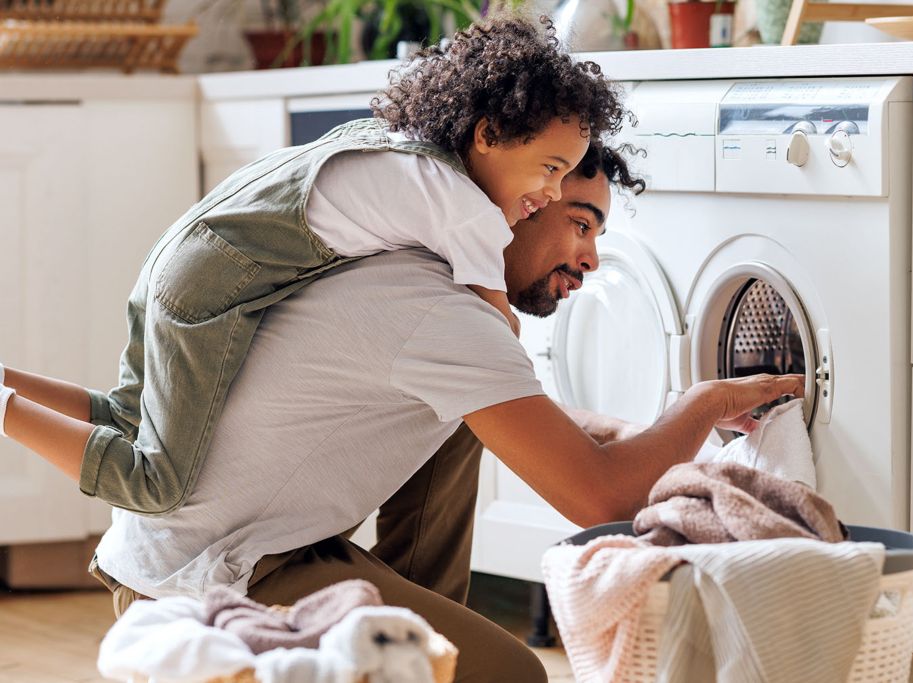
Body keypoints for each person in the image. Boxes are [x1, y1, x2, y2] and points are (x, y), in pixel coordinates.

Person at [66, 142, 800, 682]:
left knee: (469, 423)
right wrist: (704, 400)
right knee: (516, 678)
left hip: (233, 548)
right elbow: (600, 494)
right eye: (580, 223)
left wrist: (669, 434)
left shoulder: (427, 278)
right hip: (211, 579)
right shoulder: (438, 314)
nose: (592, 258)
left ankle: (418, 657)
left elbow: (532, 416)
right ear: (527, 202)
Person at [0, 15, 629, 516]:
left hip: (182, 258)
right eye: (550, 171)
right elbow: (498, 335)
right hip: (215, 286)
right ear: (489, 134)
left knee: (127, 418)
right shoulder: (465, 209)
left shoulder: (406, 153)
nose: (549, 193)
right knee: (156, 483)